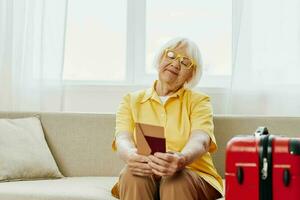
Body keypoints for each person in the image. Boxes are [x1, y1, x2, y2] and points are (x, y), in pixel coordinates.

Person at [111, 37, 223, 200]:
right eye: (171, 55)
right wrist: (129, 155)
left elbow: (201, 139)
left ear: (191, 75)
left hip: (193, 173)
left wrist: (182, 159)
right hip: (147, 171)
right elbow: (122, 137)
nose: (176, 64)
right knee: (132, 174)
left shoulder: (199, 101)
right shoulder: (131, 100)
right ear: (160, 59)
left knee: (175, 180)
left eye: (185, 62)